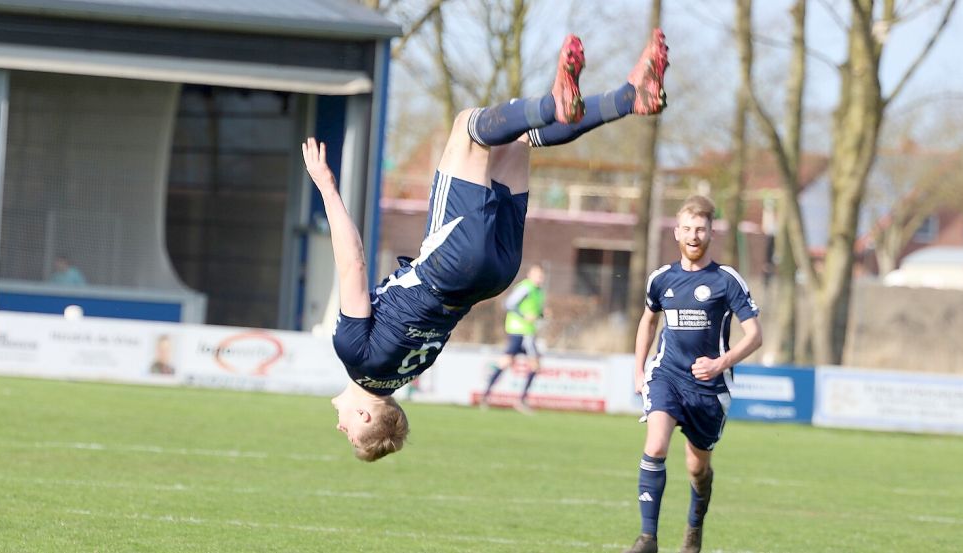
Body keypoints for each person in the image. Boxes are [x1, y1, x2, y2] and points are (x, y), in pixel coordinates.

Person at [304, 30, 669, 462]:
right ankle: (553, 103)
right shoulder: (354, 355)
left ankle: (630, 98)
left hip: (494, 276)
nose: (340, 427)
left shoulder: (407, 372)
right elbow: (353, 265)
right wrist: (327, 188)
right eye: (350, 435)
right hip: (450, 263)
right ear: (366, 416)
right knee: (468, 129)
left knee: (516, 139)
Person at [623, 195, 763, 553]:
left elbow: (755, 336)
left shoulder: (726, 280)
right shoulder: (661, 279)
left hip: (709, 388)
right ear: (676, 232)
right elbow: (647, 322)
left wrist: (720, 363)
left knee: (697, 470)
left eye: (700, 229)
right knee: (655, 445)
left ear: (711, 233)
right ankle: (648, 539)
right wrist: (639, 370)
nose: (693, 235)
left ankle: (695, 525)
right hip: (667, 375)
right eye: (687, 228)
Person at [480, 263, 546, 413]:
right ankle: (492, 396)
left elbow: (535, 311)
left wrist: (541, 314)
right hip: (519, 331)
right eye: (537, 275)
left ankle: (490, 396)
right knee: (515, 362)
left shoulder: (539, 291)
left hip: (528, 332)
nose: (539, 278)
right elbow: (508, 304)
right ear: (530, 275)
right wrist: (524, 316)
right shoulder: (526, 288)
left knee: (521, 363)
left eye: (541, 276)